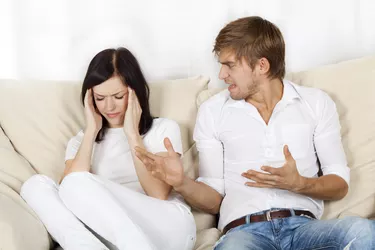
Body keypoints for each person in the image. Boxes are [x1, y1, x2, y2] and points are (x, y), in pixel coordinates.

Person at [135, 16, 375, 249]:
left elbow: (339, 184)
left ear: (262, 65)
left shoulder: (316, 103)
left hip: (304, 229)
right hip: (244, 233)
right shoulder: (213, 111)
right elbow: (214, 200)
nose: (221, 75)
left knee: (361, 231)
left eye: (229, 65)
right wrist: (181, 183)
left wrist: (299, 183)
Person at [20, 47, 196, 250]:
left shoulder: (162, 129)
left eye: (118, 96)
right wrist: (91, 130)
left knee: (75, 181)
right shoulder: (81, 141)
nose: (109, 107)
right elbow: (68, 193)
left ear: (135, 92)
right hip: (110, 237)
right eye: (100, 98)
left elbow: (158, 194)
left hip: (169, 228)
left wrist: (132, 135)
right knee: (35, 185)